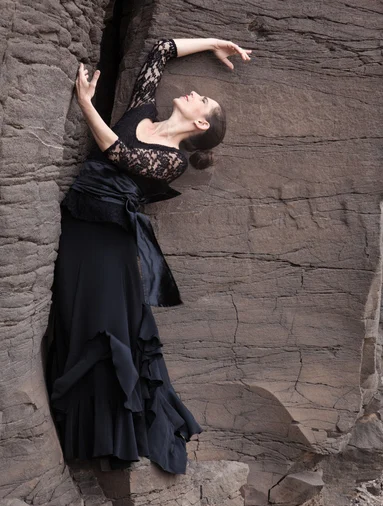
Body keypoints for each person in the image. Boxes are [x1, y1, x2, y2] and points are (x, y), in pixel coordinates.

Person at [44, 37, 252, 475]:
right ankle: (79, 431)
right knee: (70, 316)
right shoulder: (142, 112)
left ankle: (104, 440)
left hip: (109, 242)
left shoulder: (172, 162)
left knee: (99, 327)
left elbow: (116, 152)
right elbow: (159, 50)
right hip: (78, 221)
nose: (195, 92)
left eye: (203, 99)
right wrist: (215, 42)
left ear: (199, 123)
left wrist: (87, 103)